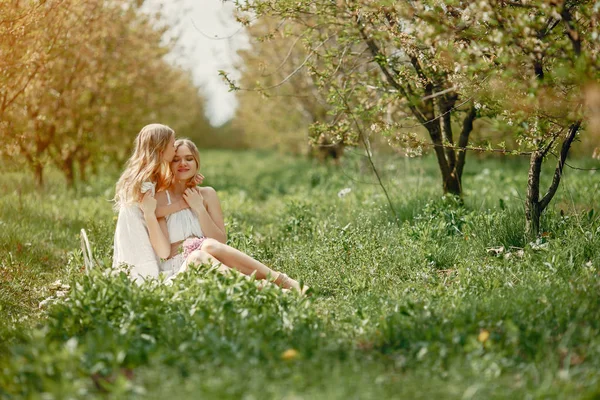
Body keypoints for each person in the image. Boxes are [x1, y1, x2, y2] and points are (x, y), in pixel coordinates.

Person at [147, 138, 307, 293]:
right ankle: (271, 289)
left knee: (208, 246)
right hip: (179, 268)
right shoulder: (161, 199)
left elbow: (220, 241)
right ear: (169, 164)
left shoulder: (208, 194)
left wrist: (199, 209)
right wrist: (189, 239)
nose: (183, 163)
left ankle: (281, 281)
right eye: (176, 160)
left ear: (196, 163)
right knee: (198, 254)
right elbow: (165, 252)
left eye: (189, 159)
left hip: (212, 259)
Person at [112, 123, 177, 282]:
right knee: (144, 274)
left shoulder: (146, 175)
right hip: (137, 234)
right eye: (173, 144)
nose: (175, 149)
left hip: (135, 230)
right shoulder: (144, 181)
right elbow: (154, 210)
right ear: (161, 149)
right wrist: (184, 204)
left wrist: (188, 182)